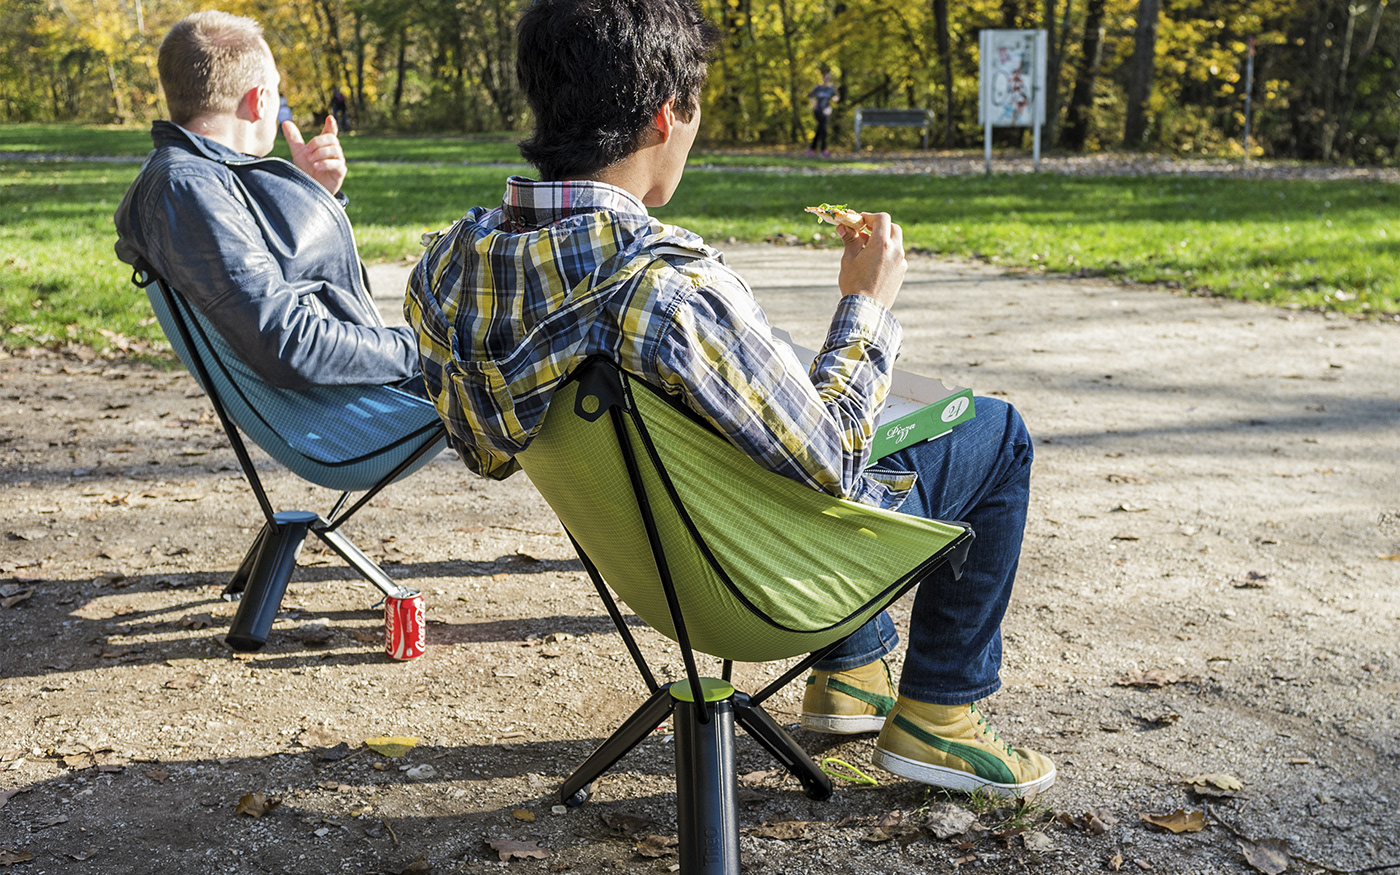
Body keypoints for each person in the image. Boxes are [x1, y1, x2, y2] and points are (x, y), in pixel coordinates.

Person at [406, 0, 1055, 799]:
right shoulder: (669, 292)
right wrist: (869, 308)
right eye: (695, 108)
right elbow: (833, 459)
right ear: (664, 113)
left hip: (657, 582)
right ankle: (940, 716)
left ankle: (851, 672)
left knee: (796, 415)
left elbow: (483, 449)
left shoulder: (448, 267)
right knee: (995, 431)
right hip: (761, 590)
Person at [114, 11, 420, 392]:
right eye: (277, 90)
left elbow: (288, 285)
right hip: (355, 408)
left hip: (355, 388)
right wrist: (426, 350)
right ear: (259, 101)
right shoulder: (187, 187)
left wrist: (314, 198)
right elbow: (290, 343)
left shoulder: (200, 178)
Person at [808, 69, 838, 157]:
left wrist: (835, 99)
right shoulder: (818, 88)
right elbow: (810, 96)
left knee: (820, 129)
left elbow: (835, 97)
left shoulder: (831, 89)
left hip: (826, 111)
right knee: (823, 129)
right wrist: (814, 103)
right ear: (823, 78)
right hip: (818, 111)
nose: (827, 79)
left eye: (829, 77)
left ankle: (812, 148)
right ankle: (823, 149)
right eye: (826, 77)